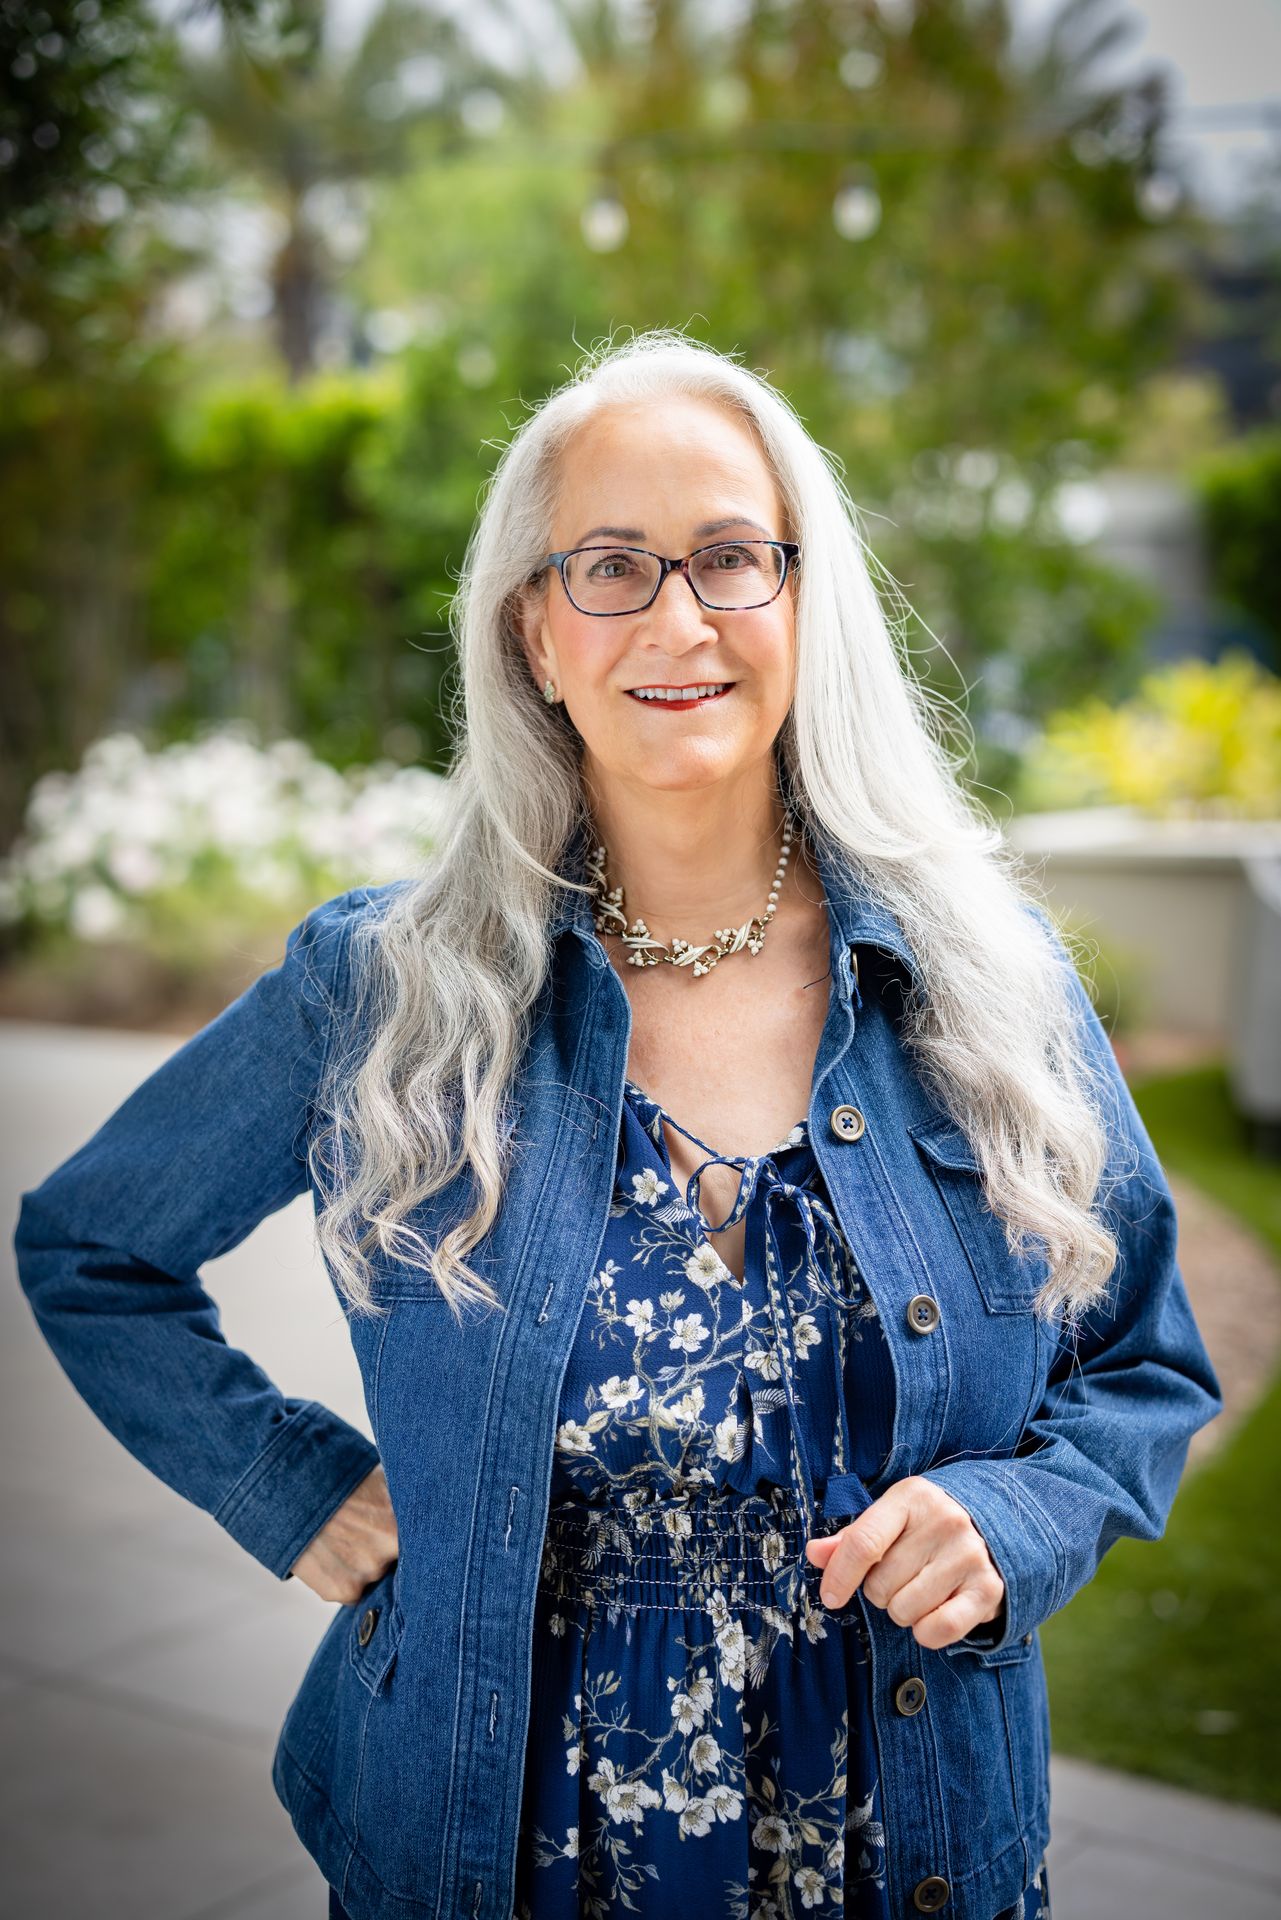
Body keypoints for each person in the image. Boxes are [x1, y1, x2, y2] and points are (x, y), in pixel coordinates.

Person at [14, 328, 1222, 1920]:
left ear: (802, 600)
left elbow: (1142, 1363)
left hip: (898, 1843)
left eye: (727, 557)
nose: (675, 619)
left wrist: (1017, 1517)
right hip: (494, 1849)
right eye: (609, 566)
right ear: (533, 628)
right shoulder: (380, 987)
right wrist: (288, 1486)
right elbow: (91, 1247)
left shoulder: (986, 979)